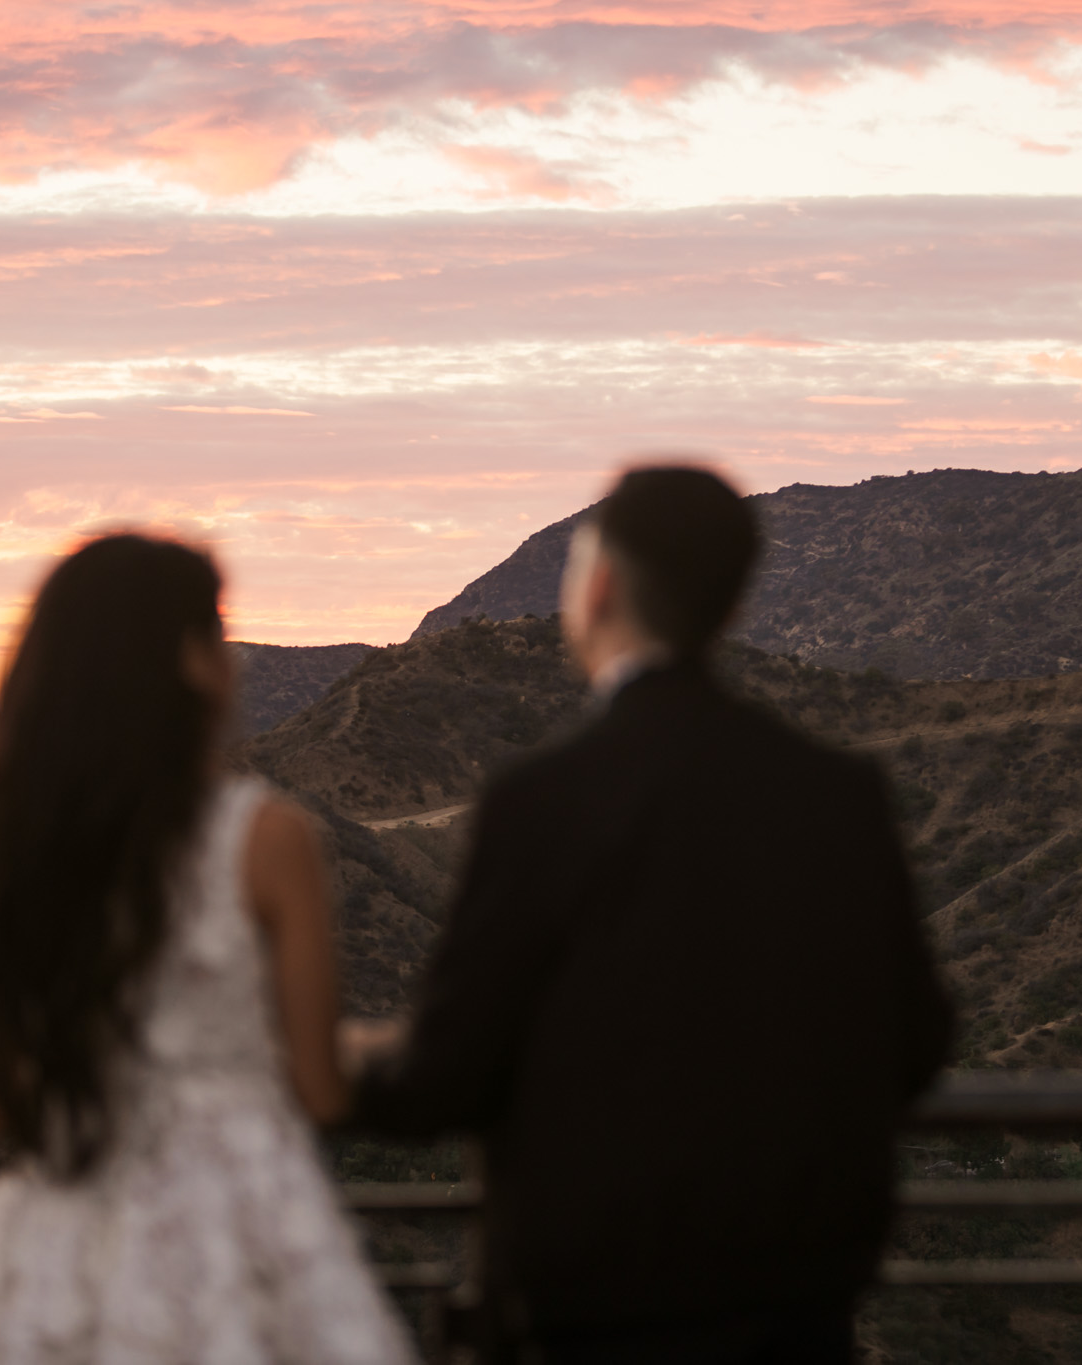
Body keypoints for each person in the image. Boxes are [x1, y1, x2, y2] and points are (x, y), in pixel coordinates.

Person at [352, 466, 953, 1364]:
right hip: (798, 1314)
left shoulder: (539, 801)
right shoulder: (839, 795)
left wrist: (351, 1056)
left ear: (596, 589)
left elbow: (445, 1078)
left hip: (592, 1318)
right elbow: (917, 1042)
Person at [0, 533, 412, 1365]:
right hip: (239, 1243)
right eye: (217, 632)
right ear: (190, 662)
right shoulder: (265, 839)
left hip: (55, 1239)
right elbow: (320, 1087)